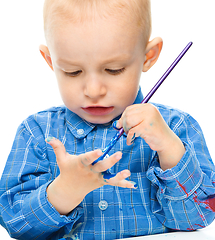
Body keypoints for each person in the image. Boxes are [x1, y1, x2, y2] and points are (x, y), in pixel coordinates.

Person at [0, 0, 214, 239]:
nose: (93, 90)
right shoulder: (37, 133)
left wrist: (170, 149)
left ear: (148, 57)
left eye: (113, 69)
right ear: (51, 61)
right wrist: (63, 192)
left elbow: (200, 217)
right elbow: (14, 224)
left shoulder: (177, 128)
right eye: (73, 71)